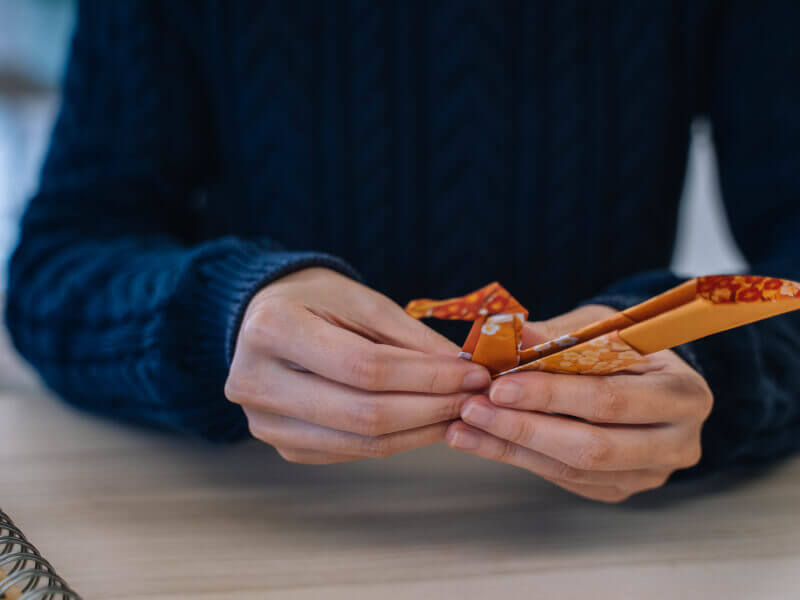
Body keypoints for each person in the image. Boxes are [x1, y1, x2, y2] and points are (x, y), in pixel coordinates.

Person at [5, 1, 799, 503]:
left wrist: (714, 373)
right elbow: (60, 262)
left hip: (601, 535)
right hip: (256, 516)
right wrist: (218, 316)